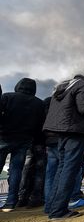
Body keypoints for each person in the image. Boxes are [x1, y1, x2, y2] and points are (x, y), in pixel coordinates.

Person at [43, 74, 84, 220]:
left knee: (62, 169)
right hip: (74, 132)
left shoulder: (65, 85)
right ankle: (58, 212)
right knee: (69, 170)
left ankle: (53, 207)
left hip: (61, 132)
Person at [0, 78, 45, 212]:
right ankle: (10, 202)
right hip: (24, 140)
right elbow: (39, 125)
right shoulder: (39, 103)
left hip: (3, 137)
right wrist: (35, 140)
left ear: (18, 85)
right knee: (16, 171)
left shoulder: (7, 97)